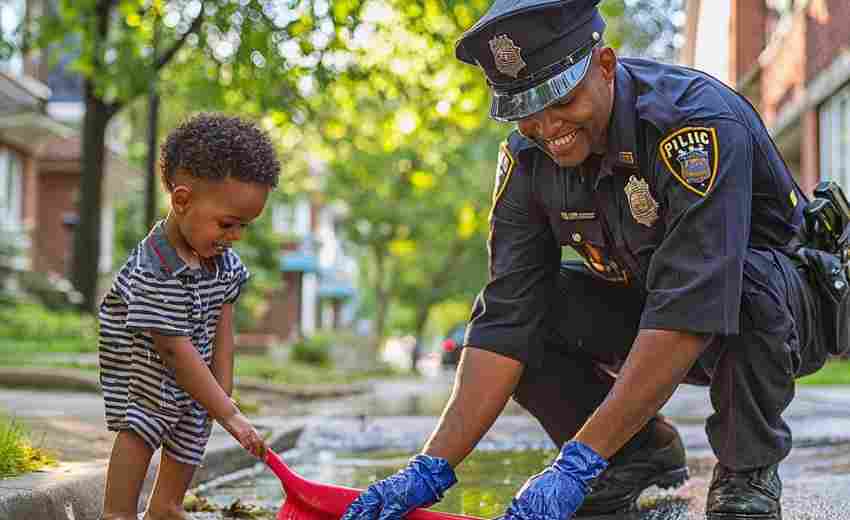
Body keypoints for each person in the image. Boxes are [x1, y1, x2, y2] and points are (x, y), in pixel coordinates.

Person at [340, 1, 837, 519]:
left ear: (605, 65)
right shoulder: (527, 160)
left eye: (560, 99)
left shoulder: (691, 124)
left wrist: (576, 460)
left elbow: (690, 305)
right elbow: (508, 316)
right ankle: (633, 454)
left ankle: (746, 470)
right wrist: (429, 467)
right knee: (536, 308)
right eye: (523, 109)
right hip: (653, 307)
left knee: (745, 283)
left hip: (774, 317)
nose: (546, 125)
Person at [97, 113, 279, 520]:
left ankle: (166, 505)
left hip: (192, 371)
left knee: (195, 424)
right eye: (228, 224)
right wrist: (229, 413)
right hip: (146, 372)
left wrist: (222, 392)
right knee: (142, 428)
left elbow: (222, 326)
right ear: (182, 201)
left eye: (244, 227)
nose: (234, 237)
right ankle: (118, 512)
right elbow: (173, 350)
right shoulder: (155, 268)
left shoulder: (224, 262)